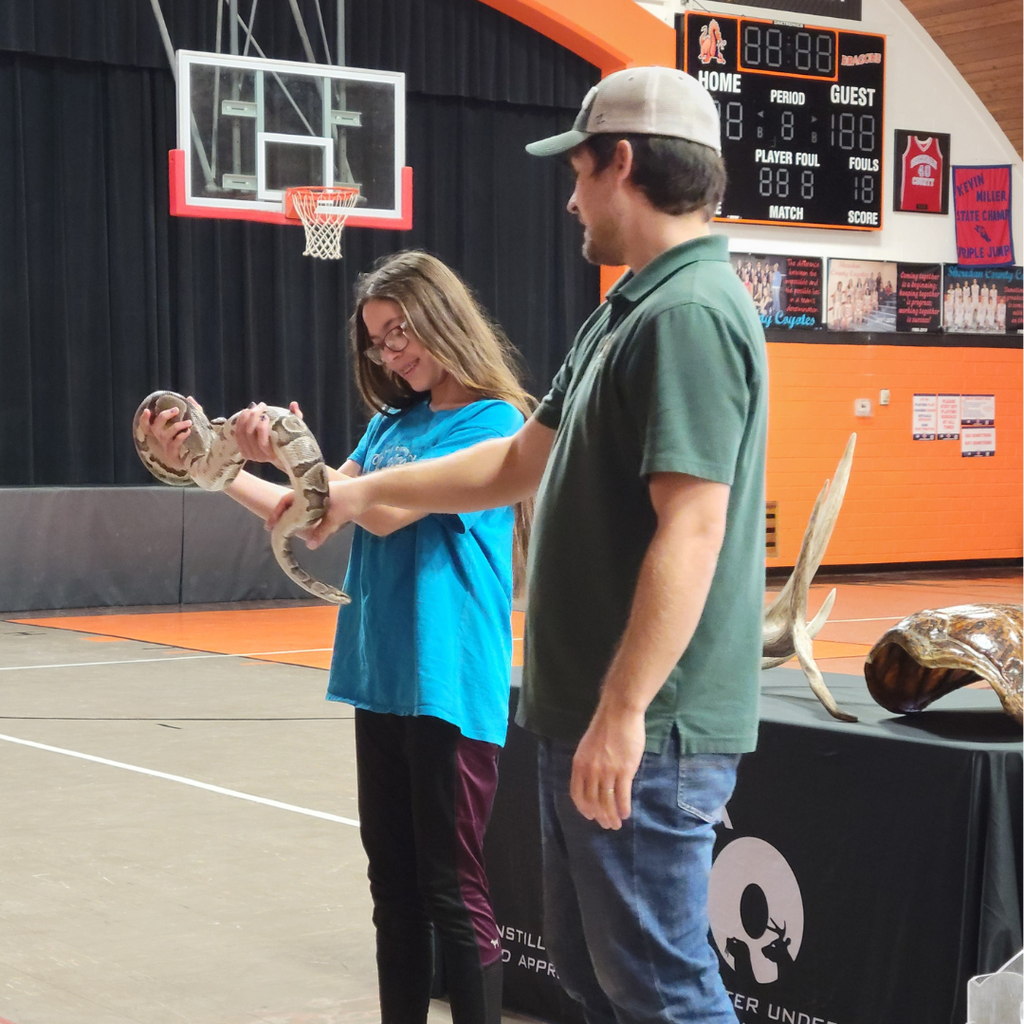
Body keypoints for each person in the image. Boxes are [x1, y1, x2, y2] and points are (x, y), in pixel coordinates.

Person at [288, 66, 768, 1024]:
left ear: (622, 163)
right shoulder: (623, 311)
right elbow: (512, 465)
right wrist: (350, 492)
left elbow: (696, 523)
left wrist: (625, 711)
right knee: (595, 977)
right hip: (578, 710)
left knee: (663, 988)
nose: (571, 196)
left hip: (648, 732)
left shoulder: (690, 315)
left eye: (580, 173)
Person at [138, 250, 534, 1024]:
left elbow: (378, 509)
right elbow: (312, 514)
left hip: (449, 683)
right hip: (379, 675)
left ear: (441, 316)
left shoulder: (496, 422)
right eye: (379, 342)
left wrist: (295, 447)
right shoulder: (392, 423)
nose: (391, 354)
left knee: (454, 891)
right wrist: (211, 464)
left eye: (400, 333)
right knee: (393, 890)